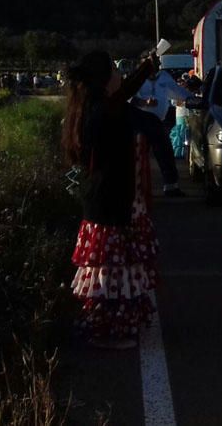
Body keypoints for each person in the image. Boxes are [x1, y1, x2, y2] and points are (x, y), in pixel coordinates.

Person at [62, 51, 159, 349]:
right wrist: (143, 70)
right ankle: (105, 330)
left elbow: (124, 93)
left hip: (105, 198)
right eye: (115, 71)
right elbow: (122, 98)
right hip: (109, 199)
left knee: (110, 267)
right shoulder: (102, 111)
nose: (119, 75)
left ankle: (110, 325)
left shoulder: (92, 106)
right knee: (108, 269)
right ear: (104, 80)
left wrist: (144, 68)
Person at [131, 69, 191, 197]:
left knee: (166, 153)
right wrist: (145, 102)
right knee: (138, 156)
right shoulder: (138, 78)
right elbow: (131, 99)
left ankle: (171, 187)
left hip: (158, 122)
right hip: (141, 121)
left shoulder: (163, 77)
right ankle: (136, 189)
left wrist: (192, 98)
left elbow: (177, 91)